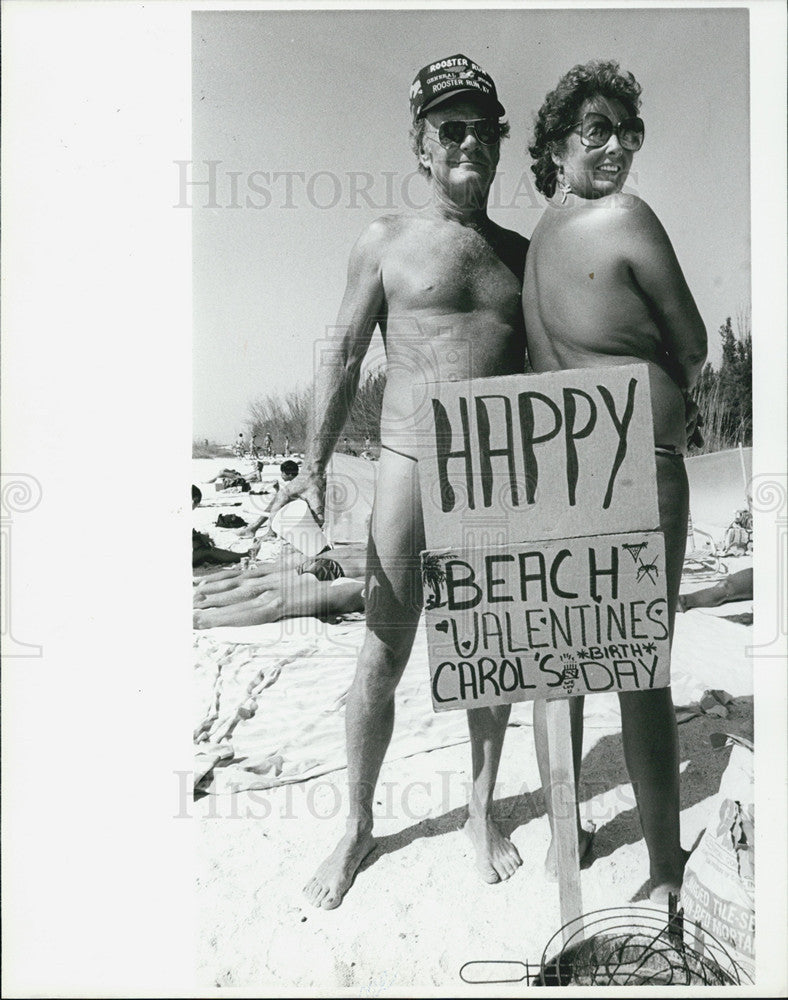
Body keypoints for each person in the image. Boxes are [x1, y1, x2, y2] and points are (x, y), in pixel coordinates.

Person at [271, 54, 529, 908]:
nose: (467, 143)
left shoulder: (523, 257)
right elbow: (342, 354)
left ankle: (480, 812)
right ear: (421, 145)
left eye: (481, 130)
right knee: (382, 648)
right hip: (407, 468)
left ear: (497, 145)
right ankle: (356, 825)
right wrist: (311, 468)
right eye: (448, 129)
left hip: (497, 475)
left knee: (492, 655)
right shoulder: (385, 241)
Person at [523, 60, 707, 901]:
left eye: (629, 133)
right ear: (558, 142)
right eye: (596, 129)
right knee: (641, 669)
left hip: (565, 474)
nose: (618, 147)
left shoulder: (535, 243)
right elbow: (696, 345)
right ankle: (666, 870)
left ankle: (571, 841)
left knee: (560, 661)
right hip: (639, 461)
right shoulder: (626, 216)